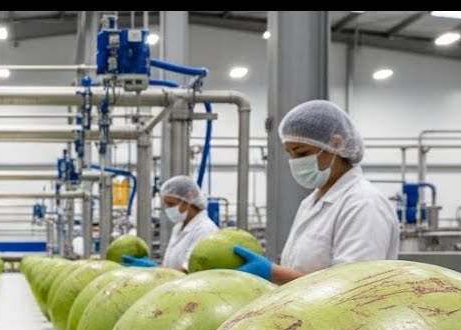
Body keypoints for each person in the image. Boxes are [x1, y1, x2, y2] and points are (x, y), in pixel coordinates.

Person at [233, 99, 398, 285]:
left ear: (336, 144)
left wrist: (273, 273)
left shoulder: (364, 204)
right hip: (303, 303)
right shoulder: (311, 202)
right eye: (290, 154)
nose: (295, 162)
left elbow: (353, 286)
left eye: (302, 153)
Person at [121, 175, 219, 271]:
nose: (169, 209)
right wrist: (157, 268)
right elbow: (170, 266)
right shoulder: (178, 228)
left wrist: (153, 269)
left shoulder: (205, 230)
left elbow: (189, 271)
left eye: (171, 204)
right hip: (172, 281)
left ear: (189, 197)